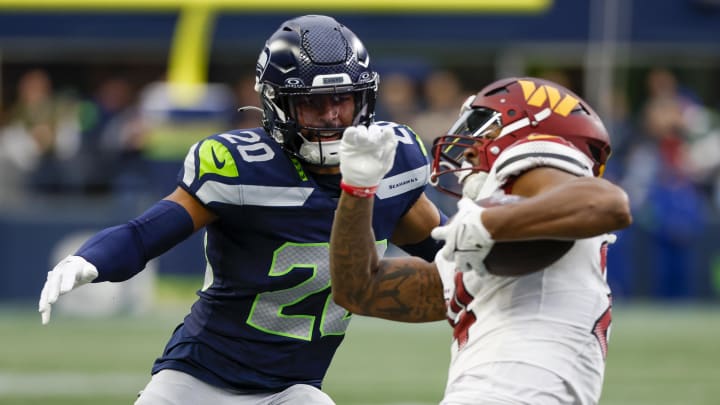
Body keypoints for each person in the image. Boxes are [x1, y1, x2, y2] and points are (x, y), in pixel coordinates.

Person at [37, 15, 444, 405]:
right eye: (314, 103)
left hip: (294, 388)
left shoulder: (393, 163)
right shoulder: (242, 167)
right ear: (278, 104)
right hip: (197, 378)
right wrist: (89, 259)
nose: (332, 115)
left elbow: (449, 254)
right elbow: (145, 234)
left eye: (343, 99)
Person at [329, 77, 633, 404]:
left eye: (484, 128)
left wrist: (487, 224)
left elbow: (607, 204)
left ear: (527, 128)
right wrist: (358, 188)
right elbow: (358, 291)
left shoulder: (538, 158)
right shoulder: (502, 235)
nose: (470, 150)